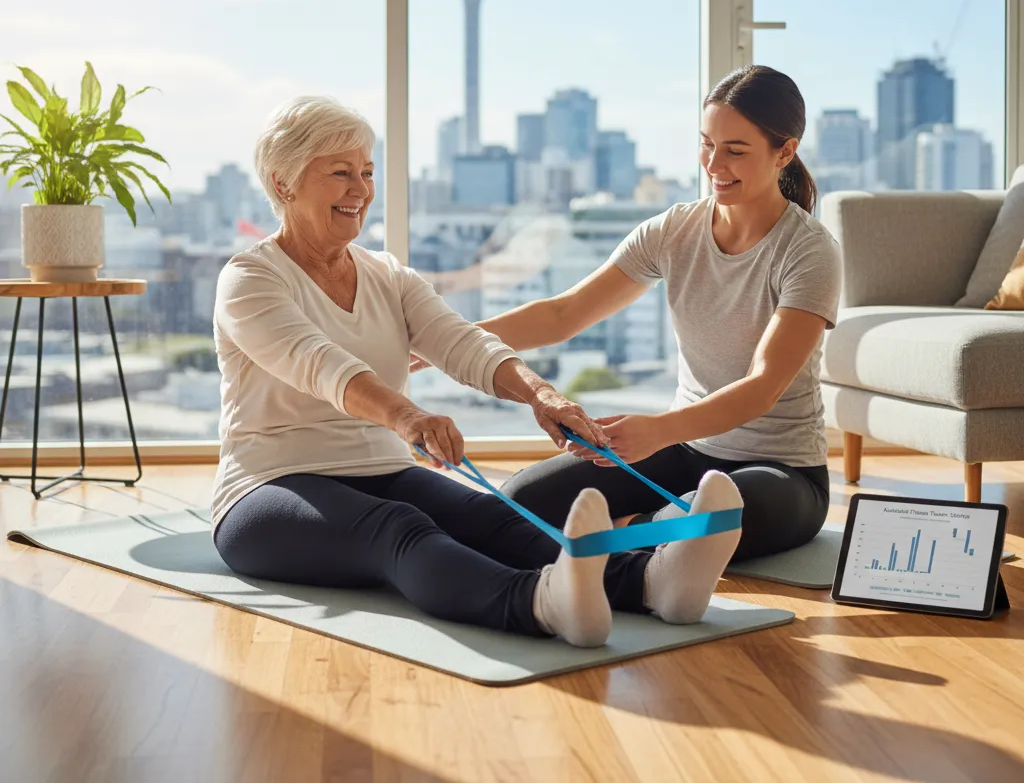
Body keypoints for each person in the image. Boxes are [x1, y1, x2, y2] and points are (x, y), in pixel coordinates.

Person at [210, 96, 744, 648]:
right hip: (268, 486)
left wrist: (543, 396)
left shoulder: (386, 275)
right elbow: (319, 364)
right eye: (340, 173)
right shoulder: (250, 280)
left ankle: (654, 584)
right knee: (399, 530)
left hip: (377, 469)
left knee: (493, 518)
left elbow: (460, 342)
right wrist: (407, 415)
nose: (361, 190)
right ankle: (541, 603)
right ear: (283, 183)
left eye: (367, 172)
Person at [439, 66, 842, 561]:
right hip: (687, 453)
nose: (715, 163)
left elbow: (764, 386)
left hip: (781, 472)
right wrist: (449, 340)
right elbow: (564, 314)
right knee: (522, 500)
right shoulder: (674, 230)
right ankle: (645, 541)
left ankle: (628, 538)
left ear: (785, 151)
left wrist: (658, 430)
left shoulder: (809, 252)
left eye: (736, 150)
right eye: (707, 144)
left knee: (718, 516)